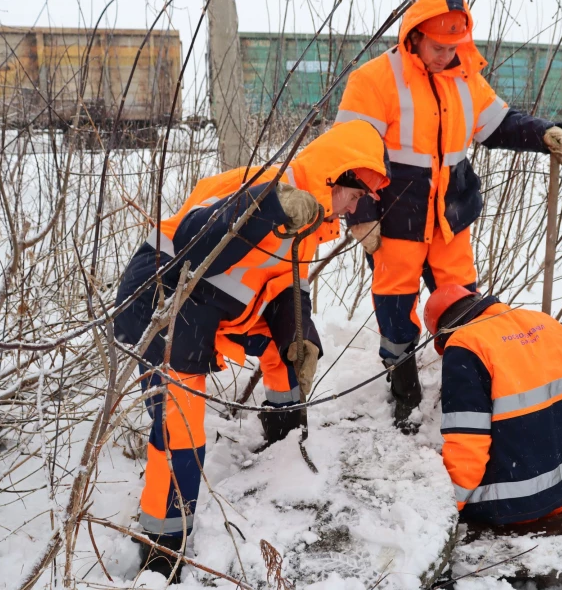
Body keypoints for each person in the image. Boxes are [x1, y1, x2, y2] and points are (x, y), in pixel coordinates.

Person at [113, 120, 390, 578]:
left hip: (219, 312)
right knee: (180, 431)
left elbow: (288, 292)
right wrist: (268, 208)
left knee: (285, 353)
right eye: (356, 195)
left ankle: (284, 442)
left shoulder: (311, 224)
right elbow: (197, 242)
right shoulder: (263, 187)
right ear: (335, 177)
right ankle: (162, 550)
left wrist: (301, 339)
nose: (354, 208)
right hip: (163, 303)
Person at [334, 0, 562, 433]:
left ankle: (465, 385)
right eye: (438, 47)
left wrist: (543, 134)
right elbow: (350, 152)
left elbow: (499, 123)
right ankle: (404, 392)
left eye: (454, 47)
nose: (447, 56)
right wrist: (362, 214)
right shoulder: (374, 79)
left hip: (450, 216)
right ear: (414, 36)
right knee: (395, 308)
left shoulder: (465, 77)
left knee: (462, 306)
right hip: (395, 217)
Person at [424, 285, 562, 524]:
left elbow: (468, 440)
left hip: (525, 500)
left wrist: (447, 503)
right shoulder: (545, 322)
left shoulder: (465, 344)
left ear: (442, 333)